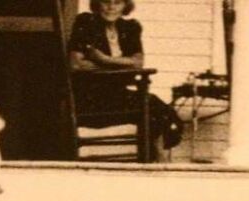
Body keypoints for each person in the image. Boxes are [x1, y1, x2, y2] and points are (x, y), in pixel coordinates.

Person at [68, 0, 182, 160]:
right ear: (97, 4)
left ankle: (154, 159)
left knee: (159, 111)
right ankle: (155, 160)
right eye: (106, 2)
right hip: (91, 97)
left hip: (118, 95)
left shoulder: (130, 28)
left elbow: (138, 62)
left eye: (117, 2)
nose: (111, 7)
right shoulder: (86, 23)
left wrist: (102, 58)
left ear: (125, 6)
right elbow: (77, 64)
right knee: (153, 109)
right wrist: (122, 63)